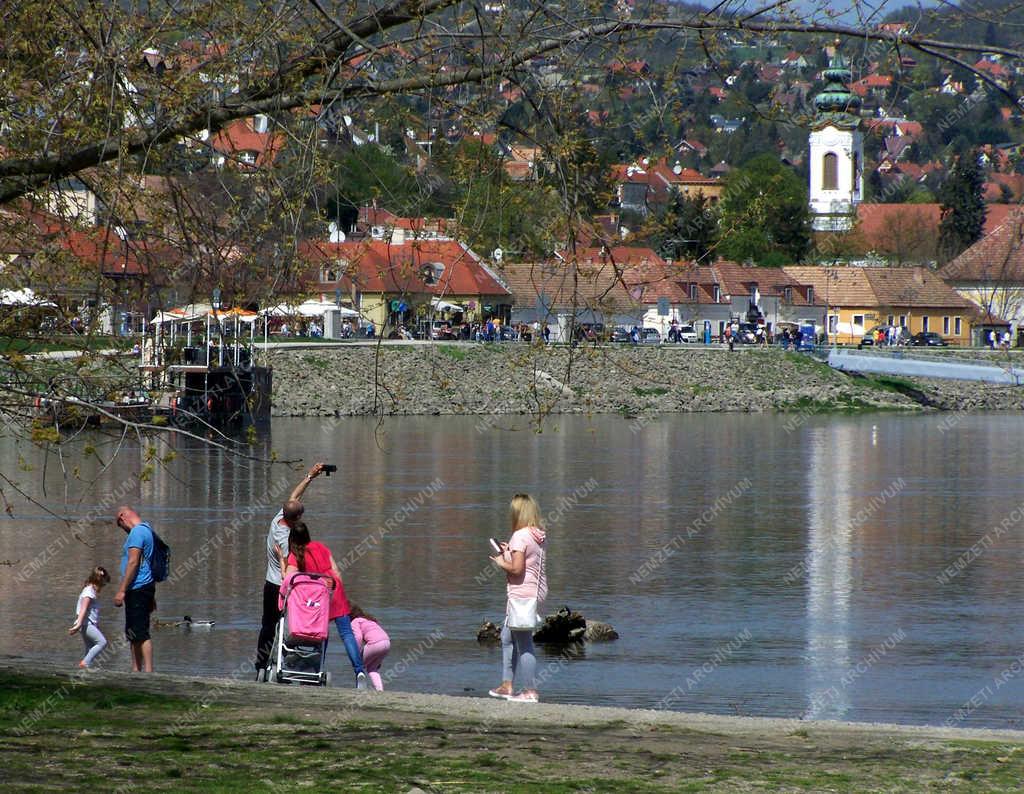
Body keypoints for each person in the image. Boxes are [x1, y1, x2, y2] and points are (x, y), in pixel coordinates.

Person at [255, 462, 327, 678]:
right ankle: (275, 663)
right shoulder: (286, 540)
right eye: (301, 515)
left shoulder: (278, 519)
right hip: (282, 586)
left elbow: (294, 497)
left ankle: (261, 664)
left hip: (270, 583)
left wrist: (310, 476)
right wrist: (282, 558)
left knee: (267, 625)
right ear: (296, 518)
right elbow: (287, 571)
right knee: (284, 625)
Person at [282, 521, 367, 688]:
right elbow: (336, 573)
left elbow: (289, 580)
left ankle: (317, 669)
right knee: (347, 634)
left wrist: (281, 561)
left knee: (320, 633)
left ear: (292, 538)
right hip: (335, 589)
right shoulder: (321, 547)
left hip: (317, 596)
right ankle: (359, 672)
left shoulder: (295, 555)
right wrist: (337, 590)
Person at [488, 493, 548, 703]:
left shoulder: (520, 536)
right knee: (507, 637)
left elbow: (516, 568)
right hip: (534, 590)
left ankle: (530, 691)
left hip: (522, 593)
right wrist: (508, 552)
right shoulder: (536, 534)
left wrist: (499, 561)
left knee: (524, 642)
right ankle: (506, 685)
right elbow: (526, 564)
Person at [113, 506, 158, 672]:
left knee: (140, 632)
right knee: (134, 631)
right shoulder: (148, 530)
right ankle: (136, 669)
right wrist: (151, 596)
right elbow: (150, 564)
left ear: (123, 517)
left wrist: (122, 590)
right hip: (145, 588)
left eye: (120, 525)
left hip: (137, 588)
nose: (123, 529)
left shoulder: (137, 533)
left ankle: (147, 671)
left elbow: (133, 562)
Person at [69, 565, 111, 668]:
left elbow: (91, 612)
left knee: (90, 647)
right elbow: (83, 609)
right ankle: (85, 663)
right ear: (99, 581)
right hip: (85, 624)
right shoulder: (88, 592)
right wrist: (78, 624)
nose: (103, 586)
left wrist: (96, 625)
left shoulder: (91, 591)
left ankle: (85, 668)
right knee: (102, 642)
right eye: (103, 583)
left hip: (89, 624)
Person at [350, 605, 391, 691]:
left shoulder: (355, 622)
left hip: (375, 644)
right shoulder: (370, 620)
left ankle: (359, 687)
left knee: (359, 665)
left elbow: (358, 637)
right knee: (372, 668)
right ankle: (380, 690)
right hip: (387, 642)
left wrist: (356, 652)